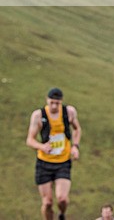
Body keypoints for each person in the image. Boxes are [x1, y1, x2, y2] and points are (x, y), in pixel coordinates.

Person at [26, 87, 82, 220]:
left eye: (57, 103)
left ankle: (62, 214)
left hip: (63, 162)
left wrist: (75, 146)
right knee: (47, 202)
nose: (54, 106)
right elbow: (29, 140)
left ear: (61, 102)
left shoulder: (69, 112)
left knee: (62, 199)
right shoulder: (38, 115)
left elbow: (77, 129)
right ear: (47, 100)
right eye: (51, 102)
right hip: (44, 163)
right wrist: (41, 146)